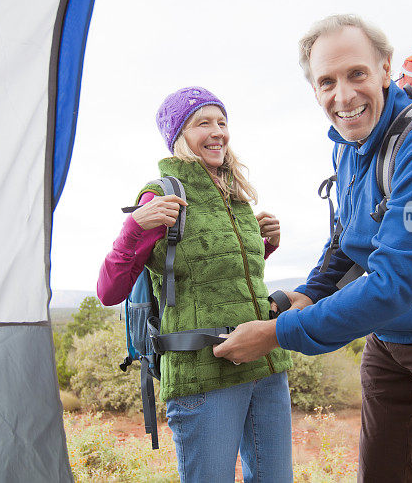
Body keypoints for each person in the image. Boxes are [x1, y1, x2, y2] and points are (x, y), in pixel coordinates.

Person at [213, 15, 412, 482]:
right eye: (326, 81)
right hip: (391, 337)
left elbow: (392, 285)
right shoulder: (349, 143)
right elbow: (349, 237)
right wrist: (307, 293)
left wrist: (276, 333)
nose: (342, 97)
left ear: (385, 69)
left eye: (356, 74)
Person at [97, 86, 294, 483]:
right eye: (203, 122)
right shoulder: (162, 194)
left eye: (222, 122)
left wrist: (263, 244)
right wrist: (135, 226)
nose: (217, 131)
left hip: (266, 363)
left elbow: (216, 276)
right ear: (178, 136)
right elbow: (109, 291)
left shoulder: (235, 195)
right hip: (204, 372)